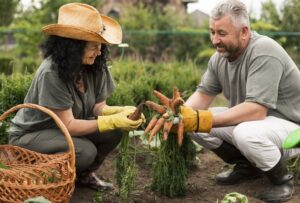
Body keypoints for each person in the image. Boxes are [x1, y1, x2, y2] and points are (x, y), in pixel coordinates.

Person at [8, 3, 144, 191]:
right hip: (33, 135)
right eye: (93, 47)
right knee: (84, 151)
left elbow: (98, 107)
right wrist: (111, 121)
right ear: (72, 47)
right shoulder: (52, 72)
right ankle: (39, 177)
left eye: (101, 47)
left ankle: (83, 175)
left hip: (64, 131)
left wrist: (119, 112)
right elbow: (68, 125)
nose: (99, 52)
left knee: (114, 132)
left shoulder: (95, 64)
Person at [176, 0, 300, 202]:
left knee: (244, 132)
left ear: (244, 32)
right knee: (194, 124)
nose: (215, 40)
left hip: (293, 128)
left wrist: (201, 119)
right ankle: (248, 167)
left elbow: (256, 111)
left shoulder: (264, 50)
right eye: (212, 32)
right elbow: (202, 95)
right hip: (261, 126)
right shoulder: (219, 58)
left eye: (222, 34)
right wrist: (179, 117)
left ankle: (282, 181)